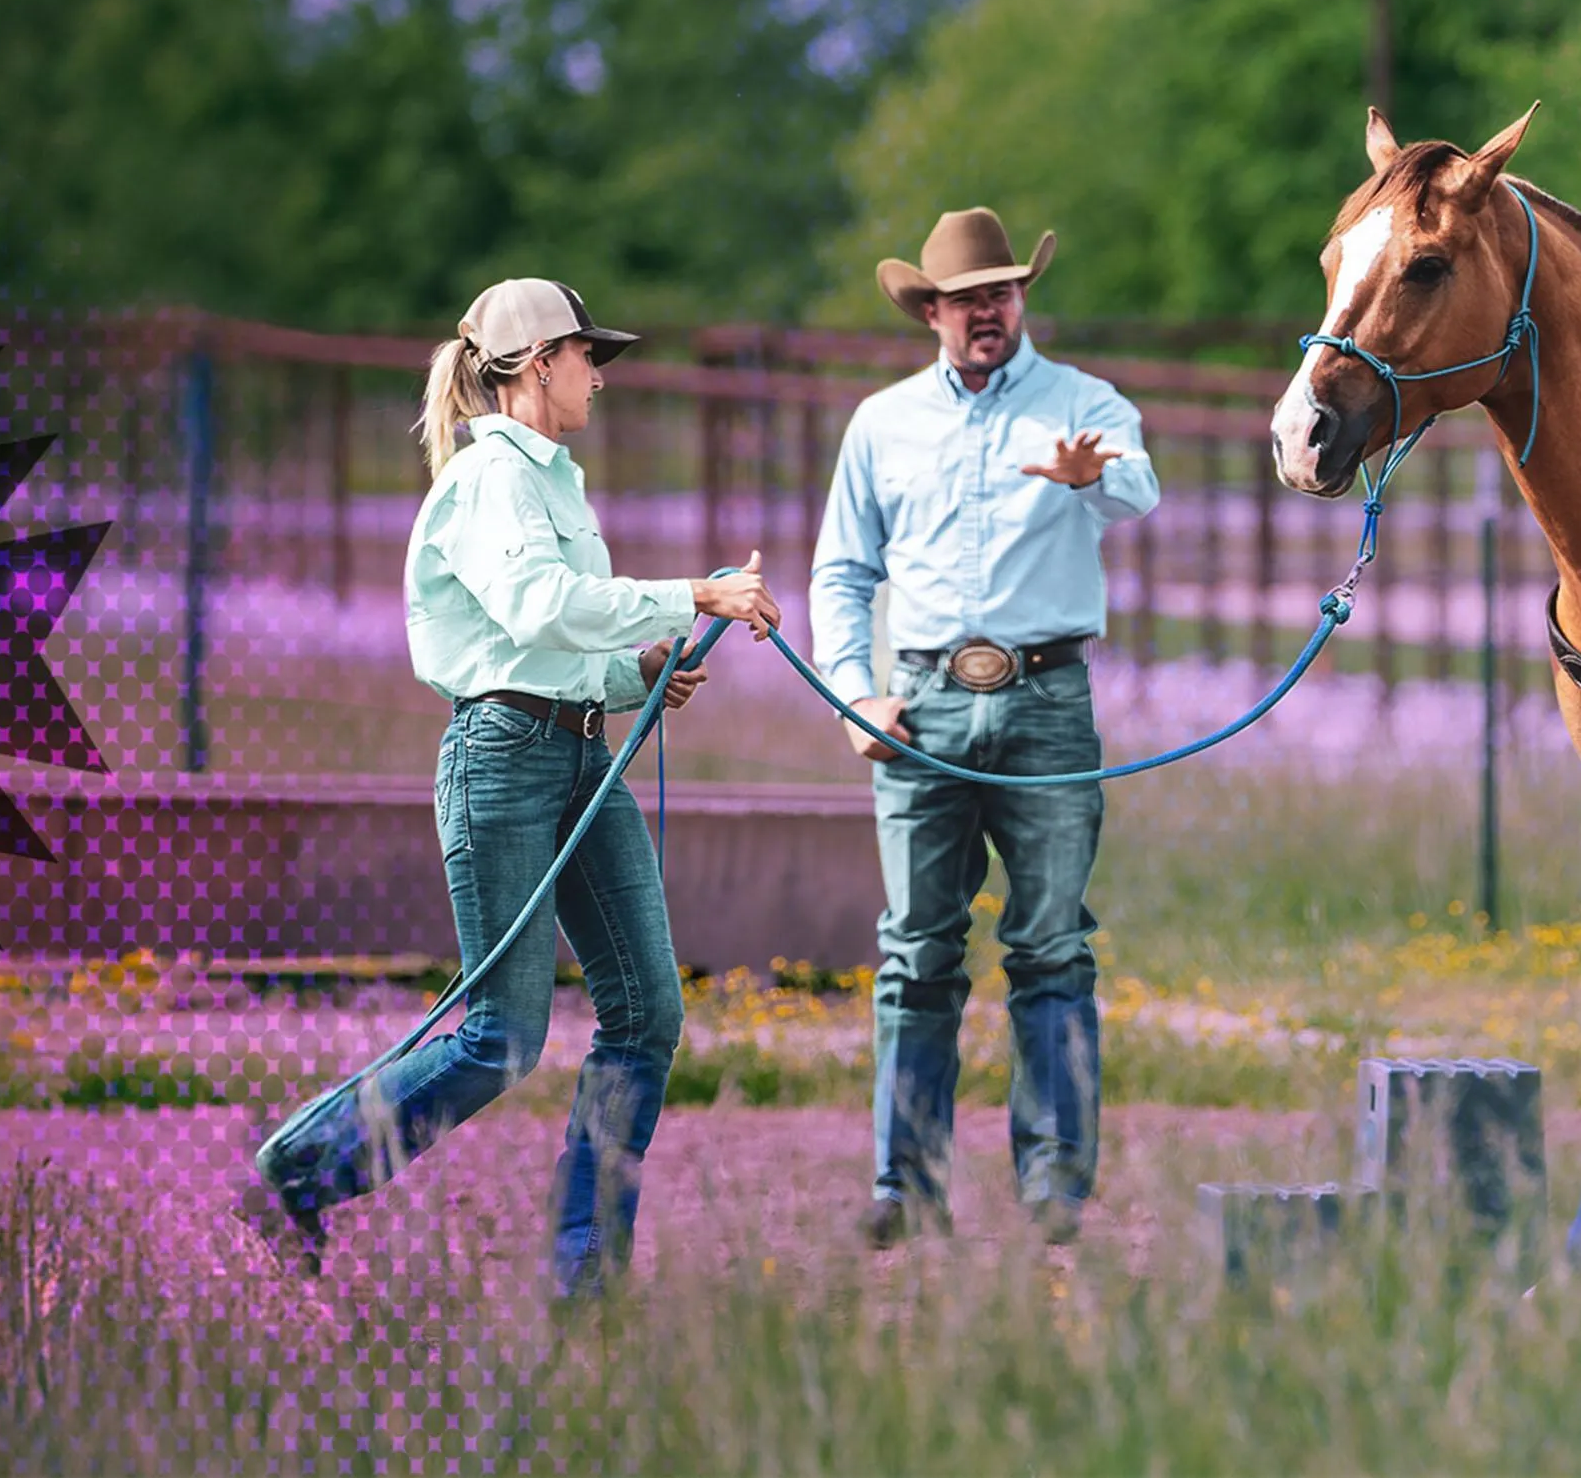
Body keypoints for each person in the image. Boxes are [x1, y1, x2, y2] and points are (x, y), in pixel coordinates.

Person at [237, 277, 780, 1294]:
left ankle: (586, 1279)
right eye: (589, 358)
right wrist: (694, 592)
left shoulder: (546, 481)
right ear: (540, 363)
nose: (598, 379)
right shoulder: (494, 482)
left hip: (573, 754)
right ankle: (296, 1175)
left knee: (646, 1014)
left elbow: (547, 645)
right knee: (500, 1038)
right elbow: (534, 605)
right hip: (506, 762)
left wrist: (634, 672)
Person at [810, 208, 1159, 1247]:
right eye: (965, 300)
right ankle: (902, 1185)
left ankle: (1054, 1180)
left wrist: (1093, 474)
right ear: (930, 311)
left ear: (1022, 300)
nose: (985, 313)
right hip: (916, 706)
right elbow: (842, 571)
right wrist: (851, 693)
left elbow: (1139, 485)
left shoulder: (1082, 405)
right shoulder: (879, 424)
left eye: (1001, 294)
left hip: (1047, 700)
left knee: (1051, 943)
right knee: (916, 950)